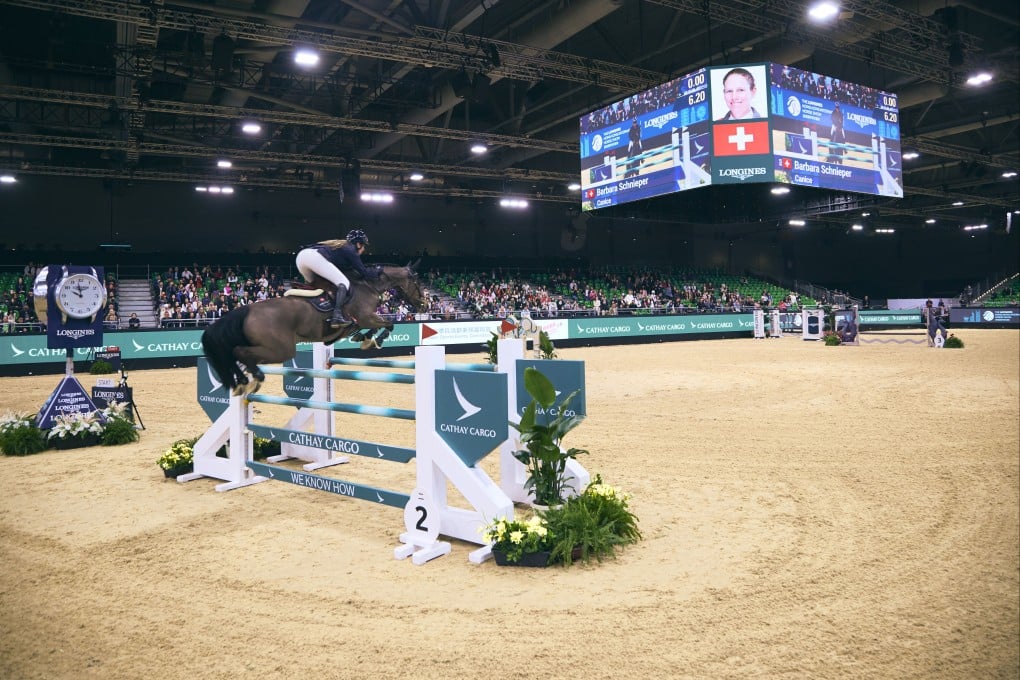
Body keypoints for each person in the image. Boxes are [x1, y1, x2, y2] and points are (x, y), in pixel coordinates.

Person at [295, 228, 379, 328]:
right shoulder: (351, 250)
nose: (363, 249)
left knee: (319, 288)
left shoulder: (342, 247)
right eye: (363, 245)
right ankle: (337, 316)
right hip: (313, 258)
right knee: (344, 282)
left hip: (301, 258)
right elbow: (364, 272)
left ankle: (316, 314)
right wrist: (379, 271)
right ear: (358, 244)